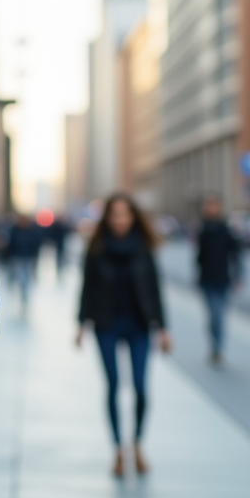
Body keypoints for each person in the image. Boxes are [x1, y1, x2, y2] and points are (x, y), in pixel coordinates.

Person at [76, 194, 169, 478]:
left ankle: (138, 443)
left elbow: (155, 289)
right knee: (114, 386)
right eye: (115, 215)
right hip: (107, 324)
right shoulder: (97, 248)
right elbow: (87, 288)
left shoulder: (144, 248)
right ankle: (118, 450)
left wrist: (163, 328)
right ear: (108, 218)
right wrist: (81, 324)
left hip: (139, 324)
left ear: (133, 217)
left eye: (125, 214)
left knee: (140, 387)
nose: (120, 220)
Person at [196, 195, 241, 366]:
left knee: (218, 315)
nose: (211, 208)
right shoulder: (203, 229)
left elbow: (235, 255)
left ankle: (218, 348)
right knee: (212, 316)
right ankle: (214, 345)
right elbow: (199, 257)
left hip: (222, 280)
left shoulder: (226, 230)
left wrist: (238, 276)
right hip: (206, 280)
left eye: (214, 205)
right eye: (209, 205)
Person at [4, 212, 44, 308]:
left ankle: (24, 295)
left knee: (25, 278)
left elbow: (36, 243)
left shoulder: (32, 230)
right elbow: (10, 243)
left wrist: (35, 256)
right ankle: (13, 284)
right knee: (16, 274)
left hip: (27, 257)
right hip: (16, 256)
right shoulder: (14, 230)